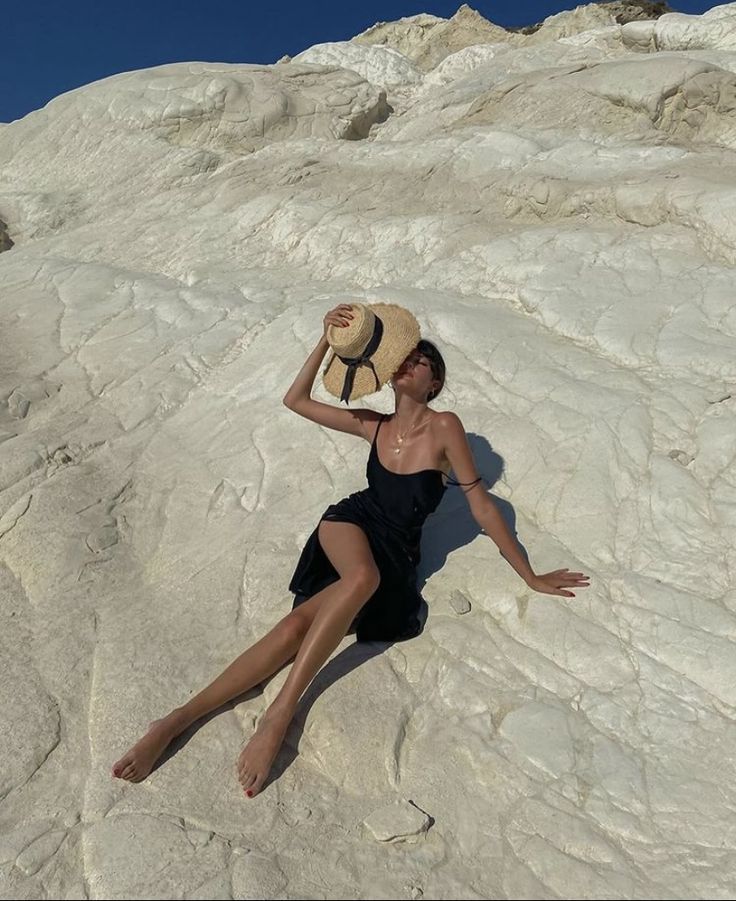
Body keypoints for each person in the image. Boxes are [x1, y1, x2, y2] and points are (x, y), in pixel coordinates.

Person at [112, 302, 590, 797]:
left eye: (424, 359)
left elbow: (483, 507)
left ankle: (173, 721)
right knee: (359, 579)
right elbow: (295, 399)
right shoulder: (373, 424)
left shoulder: (445, 425)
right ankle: (280, 713)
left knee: (300, 625)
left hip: (395, 555)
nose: (412, 360)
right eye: (406, 356)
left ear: (434, 384)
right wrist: (325, 339)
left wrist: (529, 576)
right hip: (351, 524)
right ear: (387, 376)